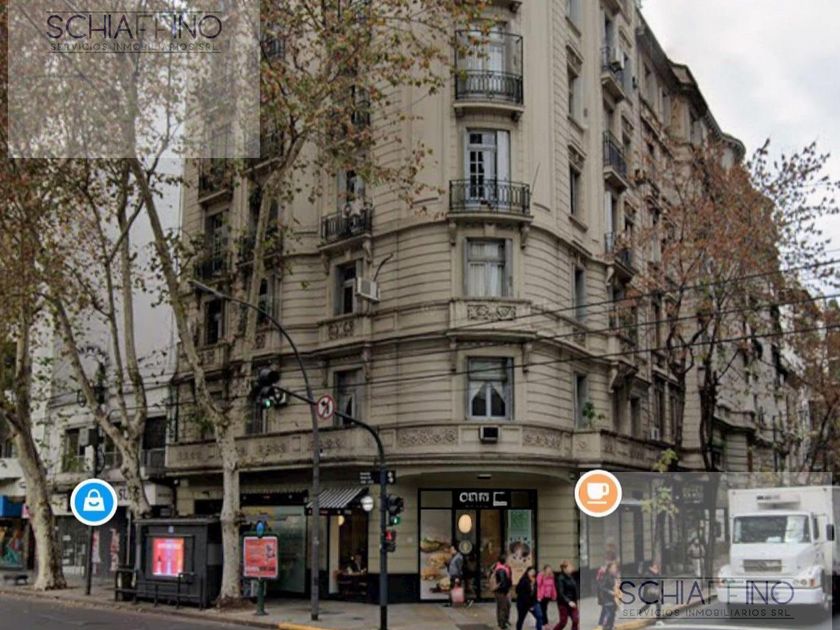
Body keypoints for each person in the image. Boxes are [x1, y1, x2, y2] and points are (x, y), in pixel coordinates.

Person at [555, 560, 579, 630]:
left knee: (575, 620)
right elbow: (560, 593)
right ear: (564, 568)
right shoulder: (560, 578)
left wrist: (575, 602)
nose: (572, 568)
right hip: (563, 603)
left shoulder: (571, 577)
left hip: (573, 603)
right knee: (563, 623)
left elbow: (574, 591)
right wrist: (568, 601)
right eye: (570, 566)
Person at [491, 553, 513, 629]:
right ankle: (502, 623)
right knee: (503, 607)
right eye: (508, 560)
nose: (510, 561)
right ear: (505, 560)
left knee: (504, 606)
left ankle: (503, 621)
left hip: (502, 590)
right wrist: (506, 591)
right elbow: (503, 583)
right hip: (501, 591)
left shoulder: (505, 568)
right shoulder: (501, 569)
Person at [598, 561, 620, 630]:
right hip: (607, 599)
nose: (615, 569)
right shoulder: (606, 576)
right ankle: (605, 627)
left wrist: (617, 586)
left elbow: (615, 586)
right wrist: (610, 592)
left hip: (613, 598)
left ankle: (610, 627)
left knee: (612, 615)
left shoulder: (614, 576)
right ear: (609, 569)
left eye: (615, 568)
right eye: (613, 568)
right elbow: (601, 587)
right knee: (608, 614)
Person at [446, 543, 466, 607]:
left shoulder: (458, 557)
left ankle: (458, 602)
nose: (451, 551)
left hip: (456, 575)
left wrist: (458, 577)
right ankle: (452, 602)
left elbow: (459, 568)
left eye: (452, 549)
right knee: (452, 588)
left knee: (456, 589)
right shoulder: (454, 556)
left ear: (456, 550)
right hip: (453, 575)